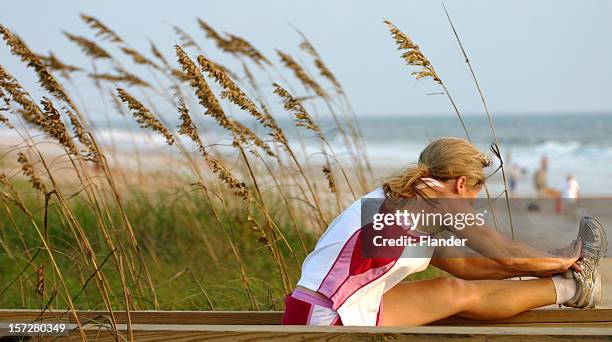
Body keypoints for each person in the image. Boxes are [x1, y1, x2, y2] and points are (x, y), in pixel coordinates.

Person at [282, 137, 606, 326]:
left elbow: (465, 266)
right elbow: (504, 253)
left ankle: (572, 288)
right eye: (477, 191)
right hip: (325, 319)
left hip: (315, 308)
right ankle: (570, 281)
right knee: (457, 291)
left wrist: (549, 263)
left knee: (452, 290)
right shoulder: (437, 201)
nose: (475, 202)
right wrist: (565, 258)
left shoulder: (410, 199)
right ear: (462, 183)